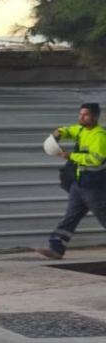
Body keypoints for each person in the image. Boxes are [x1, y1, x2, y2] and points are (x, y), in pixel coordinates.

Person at [40, 103, 106, 260]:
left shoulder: (100, 136)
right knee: (71, 216)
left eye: (86, 115)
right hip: (79, 184)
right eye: (80, 114)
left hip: (94, 186)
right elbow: (70, 130)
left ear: (95, 117)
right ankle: (56, 249)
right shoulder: (82, 130)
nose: (81, 117)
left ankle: (56, 248)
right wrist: (59, 132)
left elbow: (95, 159)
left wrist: (71, 156)